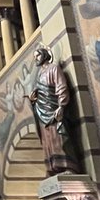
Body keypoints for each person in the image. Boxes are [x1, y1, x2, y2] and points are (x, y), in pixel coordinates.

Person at [30, 46, 81, 176]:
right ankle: (54, 168)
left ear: (45, 55)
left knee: (59, 137)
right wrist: (33, 99)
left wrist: (61, 106)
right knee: (48, 140)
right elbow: (41, 93)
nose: (36, 59)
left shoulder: (54, 69)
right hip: (42, 113)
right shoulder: (39, 74)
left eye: (38, 55)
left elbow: (61, 86)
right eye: (35, 57)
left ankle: (68, 166)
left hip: (54, 110)